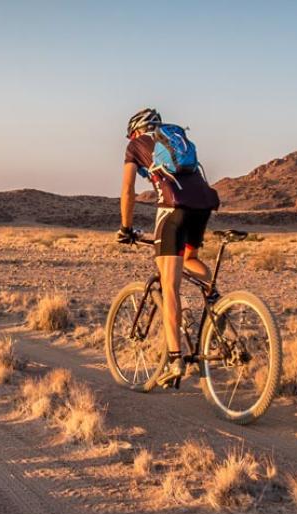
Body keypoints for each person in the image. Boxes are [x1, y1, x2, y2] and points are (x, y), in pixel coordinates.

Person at [117, 108, 220, 386]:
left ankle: (175, 359)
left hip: (172, 209)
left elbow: (128, 190)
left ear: (136, 130)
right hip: (202, 204)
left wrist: (125, 229)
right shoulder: (176, 141)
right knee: (189, 258)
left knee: (169, 285)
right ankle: (216, 299)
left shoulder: (135, 144)